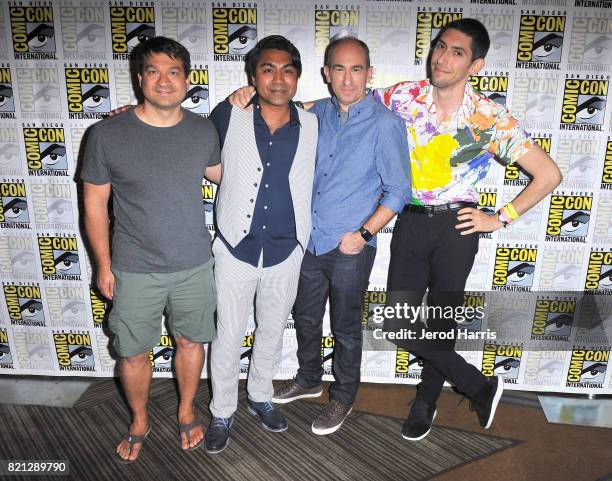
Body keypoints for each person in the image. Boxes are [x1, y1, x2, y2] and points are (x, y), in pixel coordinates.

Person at [373, 18, 562, 440]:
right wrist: (280, 103)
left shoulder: (489, 116)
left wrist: (500, 218)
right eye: (440, 47)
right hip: (409, 220)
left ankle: (426, 400)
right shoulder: (402, 96)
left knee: (440, 323)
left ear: (475, 65)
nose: (442, 57)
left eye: (456, 52)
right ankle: (478, 385)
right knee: (397, 323)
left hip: (458, 227)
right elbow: (344, 102)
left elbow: (548, 175)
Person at [230, 36, 411, 435]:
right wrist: (239, 94)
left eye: (357, 68)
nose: (348, 78)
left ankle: (344, 397)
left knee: (345, 327)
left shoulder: (386, 124)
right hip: (308, 241)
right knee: (305, 317)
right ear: (327, 74)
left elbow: (399, 191)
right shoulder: (312, 114)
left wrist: (363, 234)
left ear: (369, 73)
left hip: (350, 245)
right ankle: (309, 378)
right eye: (339, 69)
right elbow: (266, 104)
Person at [81, 36, 220, 462]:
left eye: (174, 72)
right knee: (134, 352)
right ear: (140, 78)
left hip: (194, 264)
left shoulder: (203, 130)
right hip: (133, 267)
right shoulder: (106, 134)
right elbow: (94, 207)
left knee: (191, 343)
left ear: (187, 79)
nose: (165, 81)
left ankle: (185, 409)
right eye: (154, 71)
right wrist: (103, 266)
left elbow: (230, 178)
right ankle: (139, 419)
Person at [204, 35, 318, 454]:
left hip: (286, 248)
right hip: (236, 247)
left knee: (270, 332)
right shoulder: (226, 113)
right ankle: (221, 411)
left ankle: (259, 396)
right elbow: (189, 147)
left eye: (288, 69)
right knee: (228, 335)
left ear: (297, 76)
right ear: (253, 75)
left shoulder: (312, 121)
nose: (278, 78)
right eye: (267, 68)